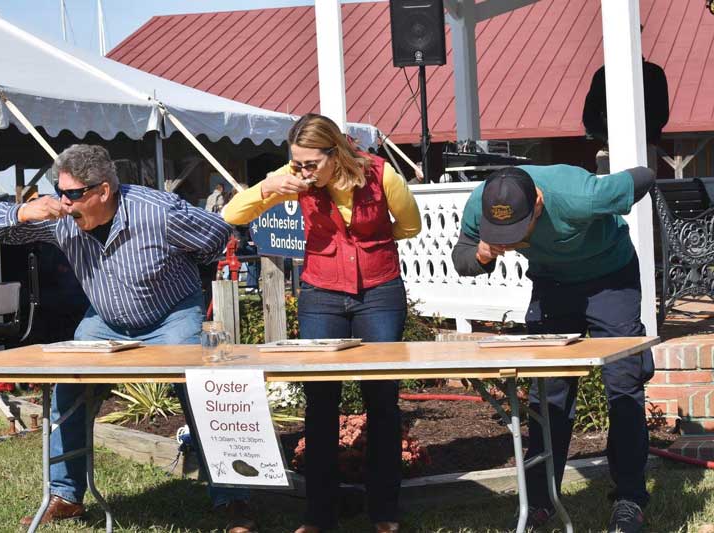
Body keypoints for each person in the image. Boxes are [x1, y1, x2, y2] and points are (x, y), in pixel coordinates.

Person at [0, 144, 257, 533]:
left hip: (172, 314)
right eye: (59, 192)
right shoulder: (58, 216)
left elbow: (215, 234)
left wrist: (178, 267)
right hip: (105, 320)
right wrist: (26, 210)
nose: (63, 202)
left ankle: (233, 500)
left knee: (205, 393)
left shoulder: (157, 210)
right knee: (67, 391)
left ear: (103, 191)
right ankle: (66, 495)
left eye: (72, 194)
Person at [223, 113, 421, 533]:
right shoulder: (290, 175)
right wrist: (269, 186)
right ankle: (319, 515)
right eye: (297, 163)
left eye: (310, 164)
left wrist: (369, 245)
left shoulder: (381, 174)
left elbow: (410, 225)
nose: (302, 171)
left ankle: (385, 512)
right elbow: (233, 214)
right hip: (321, 293)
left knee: (381, 401)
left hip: (379, 293)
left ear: (336, 153)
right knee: (320, 403)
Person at [451, 164, 656, 533]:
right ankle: (540, 502)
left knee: (624, 383)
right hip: (551, 285)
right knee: (548, 393)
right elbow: (461, 257)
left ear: (540, 204)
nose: (509, 241)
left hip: (611, 278)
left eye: (516, 230)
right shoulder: (480, 202)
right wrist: (481, 254)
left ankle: (630, 498)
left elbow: (644, 176)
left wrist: (616, 200)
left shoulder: (582, 194)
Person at [582, 40, 669, 173]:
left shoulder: (653, 73)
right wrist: (610, 138)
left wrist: (635, 138)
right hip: (610, 150)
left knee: (627, 191)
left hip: (642, 148)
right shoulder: (603, 75)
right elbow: (589, 117)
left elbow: (660, 115)